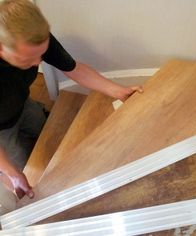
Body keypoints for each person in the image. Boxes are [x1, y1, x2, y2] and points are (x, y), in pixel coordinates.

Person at [0, 0, 143, 199]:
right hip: (2, 128)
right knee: (22, 160)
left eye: (41, 55)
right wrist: (11, 173)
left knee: (41, 126)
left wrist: (118, 91)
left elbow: (73, 69)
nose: (37, 63)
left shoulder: (33, 40)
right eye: (27, 60)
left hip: (21, 101)